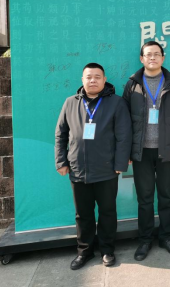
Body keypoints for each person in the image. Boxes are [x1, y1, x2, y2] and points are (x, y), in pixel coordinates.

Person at [55, 63, 132, 270]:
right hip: (78, 169)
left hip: (107, 169)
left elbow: (124, 135)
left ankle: (107, 250)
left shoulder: (116, 103)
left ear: (104, 80)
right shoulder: (70, 103)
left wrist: (120, 163)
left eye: (97, 77)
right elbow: (61, 134)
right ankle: (84, 251)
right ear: (82, 80)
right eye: (89, 77)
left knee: (108, 212)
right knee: (83, 214)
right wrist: (61, 162)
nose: (93, 80)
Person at [123, 41, 170, 260]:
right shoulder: (132, 84)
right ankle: (145, 240)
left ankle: (166, 237)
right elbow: (123, 121)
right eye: (148, 54)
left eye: (157, 54)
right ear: (141, 58)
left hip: (166, 151)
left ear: (163, 58)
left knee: (166, 196)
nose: (152, 58)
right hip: (141, 152)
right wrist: (127, 151)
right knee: (145, 198)